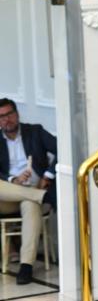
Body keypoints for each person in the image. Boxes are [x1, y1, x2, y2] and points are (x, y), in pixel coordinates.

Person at [0, 98, 56, 284]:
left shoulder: (35, 131)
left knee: (31, 204)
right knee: (30, 198)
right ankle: (42, 197)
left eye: (8, 114)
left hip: (32, 189)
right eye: (1, 117)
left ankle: (26, 266)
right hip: (6, 196)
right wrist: (13, 179)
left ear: (17, 114)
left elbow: (62, 148)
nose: (5, 120)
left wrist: (47, 176)